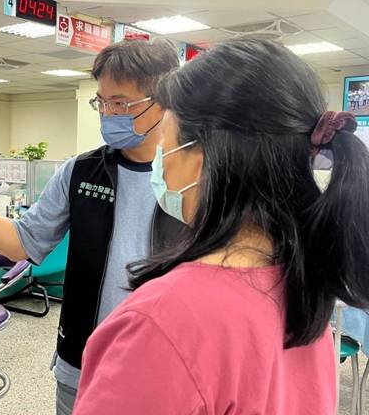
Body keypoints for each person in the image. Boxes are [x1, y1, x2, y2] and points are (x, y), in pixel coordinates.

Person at [73, 38, 369, 414]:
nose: (160, 160)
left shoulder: (162, 322)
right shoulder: (305, 284)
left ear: (200, 158)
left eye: (165, 141)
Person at [0, 39, 183, 415]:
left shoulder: (196, 179)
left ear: (163, 100)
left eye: (121, 104)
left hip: (165, 374)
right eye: (101, 103)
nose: (108, 114)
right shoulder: (80, 172)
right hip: (82, 366)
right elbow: (23, 242)